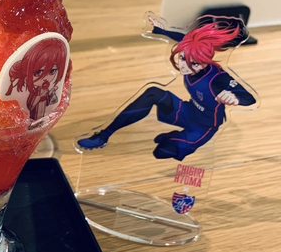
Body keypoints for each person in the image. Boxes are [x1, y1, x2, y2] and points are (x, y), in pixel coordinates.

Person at [77, 17, 257, 160]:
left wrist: (235, 98)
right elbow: (183, 39)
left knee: (161, 152)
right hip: (188, 111)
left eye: (193, 63)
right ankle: (103, 136)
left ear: (204, 63)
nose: (184, 66)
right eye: (183, 58)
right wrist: (159, 29)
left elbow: (250, 98)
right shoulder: (191, 51)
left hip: (204, 127)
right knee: (153, 93)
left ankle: (173, 138)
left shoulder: (217, 78)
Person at [4, 38, 69, 122]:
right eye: (38, 73)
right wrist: (39, 96)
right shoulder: (35, 92)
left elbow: (50, 102)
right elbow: (30, 105)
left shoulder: (45, 90)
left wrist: (50, 93)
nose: (46, 78)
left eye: (52, 71)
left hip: (43, 117)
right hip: (32, 118)